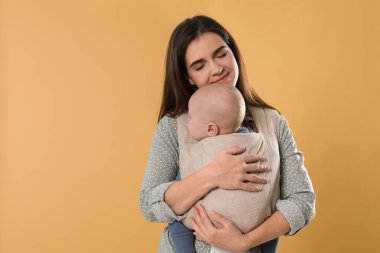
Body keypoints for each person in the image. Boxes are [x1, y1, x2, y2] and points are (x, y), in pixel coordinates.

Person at [139, 15, 316, 253]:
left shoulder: (272, 122)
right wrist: (213, 174)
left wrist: (244, 241)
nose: (216, 68)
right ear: (188, 77)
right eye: (199, 66)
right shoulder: (174, 126)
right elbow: (149, 203)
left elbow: (303, 202)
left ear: (233, 53)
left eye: (221, 54)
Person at [168, 83, 280, 253]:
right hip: (253, 224)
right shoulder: (256, 143)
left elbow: (172, 199)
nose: (187, 122)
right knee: (272, 214)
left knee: (174, 216)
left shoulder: (197, 153)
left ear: (211, 129)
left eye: (190, 118)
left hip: (209, 223)